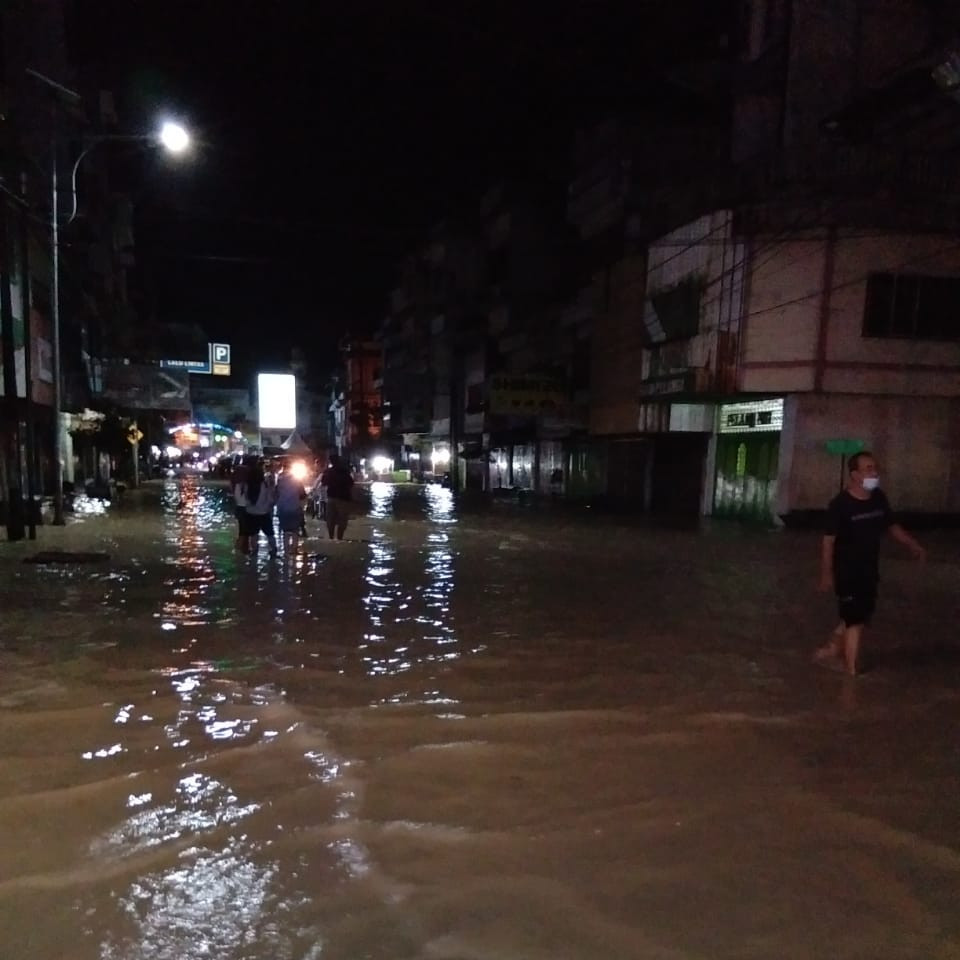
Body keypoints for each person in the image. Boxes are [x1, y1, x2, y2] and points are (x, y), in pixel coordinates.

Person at [816, 451, 925, 675]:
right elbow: (828, 542)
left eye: (875, 468)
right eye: (868, 469)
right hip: (847, 571)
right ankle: (851, 671)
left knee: (862, 615)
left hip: (869, 569)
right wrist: (826, 573)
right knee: (855, 620)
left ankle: (832, 647)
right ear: (855, 475)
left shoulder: (878, 498)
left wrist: (913, 545)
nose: (874, 472)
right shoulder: (840, 505)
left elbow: (892, 526)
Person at [235, 458, 277, 556]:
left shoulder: (246, 485)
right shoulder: (265, 485)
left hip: (251, 513)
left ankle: (254, 552)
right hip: (263, 513)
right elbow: (270, 499)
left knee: (254, 534)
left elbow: (245, 499)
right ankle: (274, 550)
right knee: (270, 534)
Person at [275, 459, 307, 556]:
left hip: (282, 508)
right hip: (294, 507)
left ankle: (285, 551)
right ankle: (294, 550)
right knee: (295, 530)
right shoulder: (297, 479)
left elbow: (276, 493)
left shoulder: (279, 479)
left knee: (285, 531)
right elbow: (302, 494)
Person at [321, 454, 354, 541]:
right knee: (342, 520)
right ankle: (339, 538)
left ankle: (331, 537)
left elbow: (323, 482)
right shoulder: (344, 471)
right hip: (343, 498)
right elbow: (351, 483)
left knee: (330, 519)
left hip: (331, 497)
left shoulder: (328, 472)